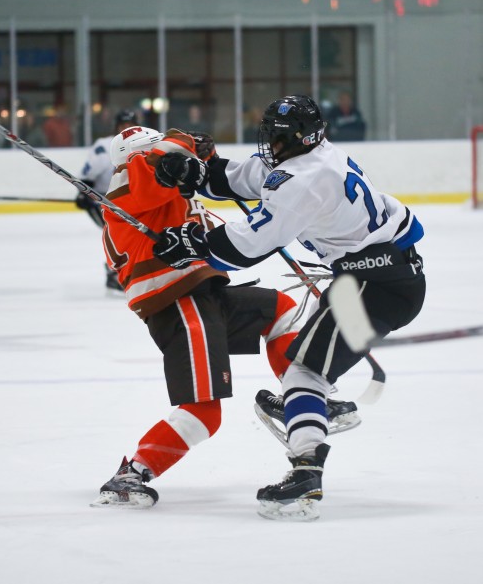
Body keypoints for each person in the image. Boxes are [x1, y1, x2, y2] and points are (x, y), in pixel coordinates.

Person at [150, 94, 426, 521]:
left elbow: (247, 246)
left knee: (305, 373)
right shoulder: (309, 156)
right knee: (307, 373)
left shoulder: (304, 179)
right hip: (371, 277)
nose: (270, 144)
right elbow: (244, 179)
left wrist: (193, 244)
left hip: (378, 285)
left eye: (277, 137)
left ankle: (306, 470)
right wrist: (197, 173)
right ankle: (306, 407)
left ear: (297, 138)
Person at [90, 125, 354, 510]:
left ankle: (296, 398)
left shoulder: (160, 193)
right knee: (204, 413)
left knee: (282, 310)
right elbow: (162, 163)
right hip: (178, 303)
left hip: (203, 295)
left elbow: (219, 235)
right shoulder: (130, 178)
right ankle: (131, 475)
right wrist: (184, 141)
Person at [76, 109, 141, 292]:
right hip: (104, 200)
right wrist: (84, 193)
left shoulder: (144, 143)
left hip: (130, 201)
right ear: (116, 127)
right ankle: (114, 273)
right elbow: (87, 176)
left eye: (130, 125)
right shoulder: (105, 146)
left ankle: (125, 270)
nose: (126, 129)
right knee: (121, 235)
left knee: (135, 235)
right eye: (123, 126)